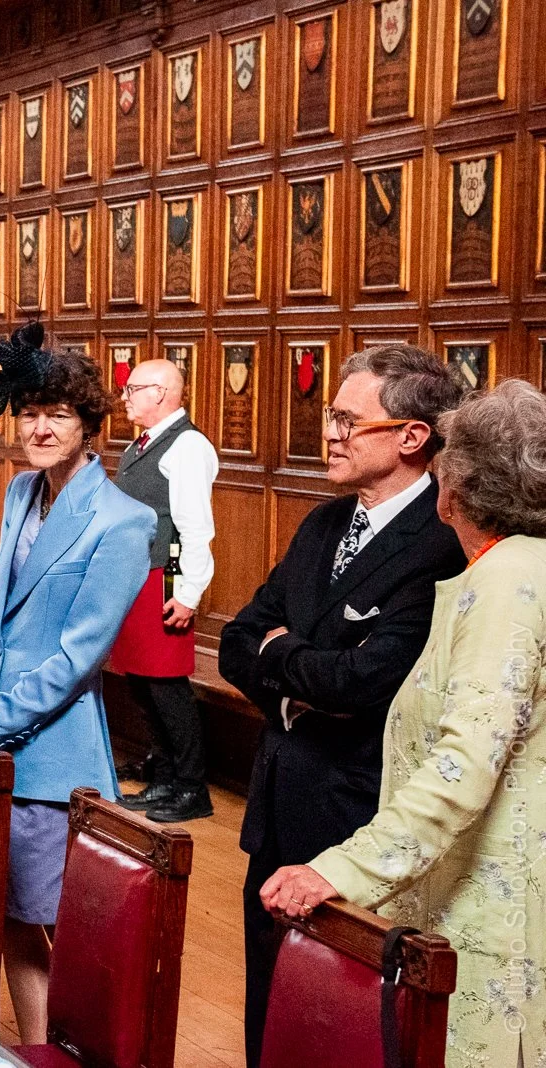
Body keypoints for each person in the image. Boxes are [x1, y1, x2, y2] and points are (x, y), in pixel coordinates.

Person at [260, 380, 546, 1066]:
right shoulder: (516, 566)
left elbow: (465, 759)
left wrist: (343, 870)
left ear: (458, 484)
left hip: (482, 899)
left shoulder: (506, 580)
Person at [219, 344, 466, 1067]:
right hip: (279, 797)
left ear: (411, 437)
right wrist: (297, 664)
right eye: (332, 417)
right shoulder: (323, 524)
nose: (330, 433)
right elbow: (238, 640)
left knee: (344, 1010)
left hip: (357, 807)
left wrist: (279, 655)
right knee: (268, 994)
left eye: (348, 421)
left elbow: (369, 683)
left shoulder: (442, 542)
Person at [0, 324, 155, 1046]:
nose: (40, 427)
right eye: (29, 413)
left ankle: (73, 1055)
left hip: (51, 757)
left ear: (89, 425)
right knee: (9, 920)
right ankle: (28, 1053)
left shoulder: (123, 521)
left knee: (61, 931)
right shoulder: (23, 491)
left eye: (58, 414)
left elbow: (75, 661)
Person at [112, 358, 220, 823]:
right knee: (141, 681)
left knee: (166, 686)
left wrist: (189, 591)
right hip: (138, 575)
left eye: (133, 388)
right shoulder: (145, 442)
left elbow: (195, 527)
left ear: (161, 393)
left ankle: (190, 787)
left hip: (166, 577)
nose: (125, 397)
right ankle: (164, 773)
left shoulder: (188, 446)